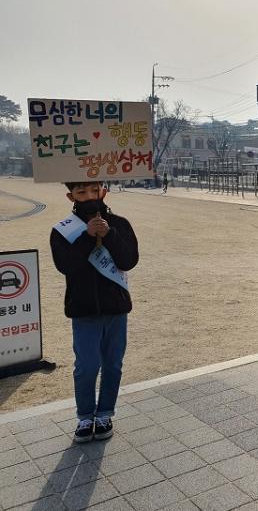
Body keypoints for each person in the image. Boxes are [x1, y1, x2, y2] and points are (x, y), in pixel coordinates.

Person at [50, 181, 139, 443]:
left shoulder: (120, 224)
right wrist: (88, 237)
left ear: (103, 191)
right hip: (83, 309)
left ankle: (105, 414)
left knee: (113, 365)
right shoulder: (63, 230)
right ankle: (85, 416)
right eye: (81, 192)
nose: (89, 196)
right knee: (86, 367)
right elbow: (66, 266)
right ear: (71, 197)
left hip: (116, 308)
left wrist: (109, 234)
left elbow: (129, 260)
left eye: (94, 190)